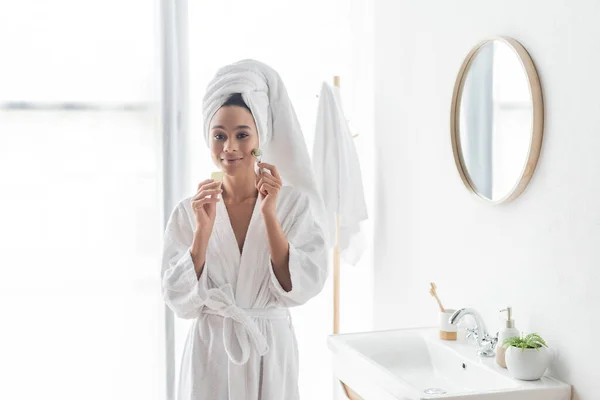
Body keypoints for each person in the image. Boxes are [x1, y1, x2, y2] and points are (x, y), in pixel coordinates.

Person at [161, 60, 329, 400]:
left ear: (260, 138)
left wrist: (269, 215)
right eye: (219, 136)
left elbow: (303, 285)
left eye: (242, 135)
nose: (230, 147)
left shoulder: (292, 205)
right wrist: (202, 235)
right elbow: (179, 301)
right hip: (211, 351)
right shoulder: (189, 211)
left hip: (268, 348)